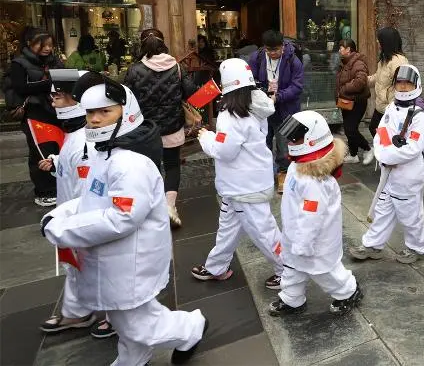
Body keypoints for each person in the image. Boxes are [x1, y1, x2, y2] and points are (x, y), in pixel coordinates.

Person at [41, 74, 208, 366]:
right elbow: (92, 198)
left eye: (104, 111)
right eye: (90, 112)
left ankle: (190, 329)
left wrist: (61, 228)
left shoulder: (129, 163)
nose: (94, 119)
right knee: (128, 321)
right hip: (116, 260)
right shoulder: (107, 153)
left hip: (130, 261)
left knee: (137, 325)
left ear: (125, 111)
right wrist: (59, 215)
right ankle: (133, 360)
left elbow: (122, 217)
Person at [37, 69, 117, 339]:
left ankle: (116, 315)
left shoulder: (88, 139)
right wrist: (58, 164)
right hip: (72, 215)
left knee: (98, 264)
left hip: (85, 218)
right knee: (75, 265)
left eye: (58, 96)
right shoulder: (78, 135)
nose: (53, 102)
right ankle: (78, 312)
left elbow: (90, 184)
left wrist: (78, 221)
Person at [191, 59, 284, 288]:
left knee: (264, 232)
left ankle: (287, 270)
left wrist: (206, 137)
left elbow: (225, 151)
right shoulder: (254, 104)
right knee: (228, 229)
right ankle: (216, 266)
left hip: (243, 186)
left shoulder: (231, 114)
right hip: (245, 183)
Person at [268, 111, 363, 317]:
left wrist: (302, 243)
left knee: (324, 272)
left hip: (313, 240)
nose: (291, 141)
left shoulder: (313, 181)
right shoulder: (299, 164)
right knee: (292, 268)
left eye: (296, 137)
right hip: (296, 234)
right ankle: (292, 298)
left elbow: (311, 217)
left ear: (312, 139)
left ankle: (348, 291)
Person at [350, 65, 424, 264]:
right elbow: (380, 134)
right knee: (383, 210)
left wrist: (387, 156)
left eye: (408, 83)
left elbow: (413, 148)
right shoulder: (391, 108)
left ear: (416, 84)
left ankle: (419, 248)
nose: (403, 87)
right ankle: (373, 245)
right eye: (399, 82)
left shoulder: (419, 116)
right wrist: (382, 154)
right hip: (388, 172)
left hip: (408, 175)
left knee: (410, 215)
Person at [124, 28, 197, 228]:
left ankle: (154, 208)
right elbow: (190, 92)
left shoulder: (134, 69)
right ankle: (170, 206)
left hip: (146, 130)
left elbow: (127, 98)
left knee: (151, 168)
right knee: (172, 166)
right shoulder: (176, 67)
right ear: (163, 43)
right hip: (172, 126)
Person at [8, 29, 63, 206]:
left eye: (50, 45)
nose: (47, 48)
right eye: (42, 44)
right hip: (35, 112)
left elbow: (66, 80)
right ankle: (45, 191)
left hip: (57, 111)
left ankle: (61, 186)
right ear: (29, 43)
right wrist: (49, 84)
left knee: (58, 148)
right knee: (41, 151)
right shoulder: (19, 63)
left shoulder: (55, 61)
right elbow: (20, 88)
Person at [248, 30, 304, 192]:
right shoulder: (257, 58)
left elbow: (297, 87)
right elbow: (250, 80)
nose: (272, 53)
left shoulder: (293, 60)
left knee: (284, 144)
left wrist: (278, 97)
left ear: (283, 46)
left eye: (276, 50)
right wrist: (262, 93)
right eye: (269, 50)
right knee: (262, 143)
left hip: (285, 109)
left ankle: (283, 174)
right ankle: (264, 174)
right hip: (263, 109)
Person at [336, 39, 373, 165]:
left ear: (348, 49)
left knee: (350, 129)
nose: (339, 50)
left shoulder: (358, 62)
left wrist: (344, 89)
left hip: (357, 102)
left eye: (341, 48)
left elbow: (360, 81)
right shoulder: (345, 62)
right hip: (346, 101)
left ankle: (368, 149)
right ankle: (353, 155)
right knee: (349, 129)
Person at [368, 27, 408, 138]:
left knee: (386, 135)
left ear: (387, 41)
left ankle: (386, 147)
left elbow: (403, 87)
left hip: (391, 108)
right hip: (380, 107)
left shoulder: (398, 61)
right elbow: (378, 77)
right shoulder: (385, 59)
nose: (377, 42)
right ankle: (383, 146)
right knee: (375, 129)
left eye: (379, 39)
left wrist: (394, 107)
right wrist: (364, 80)